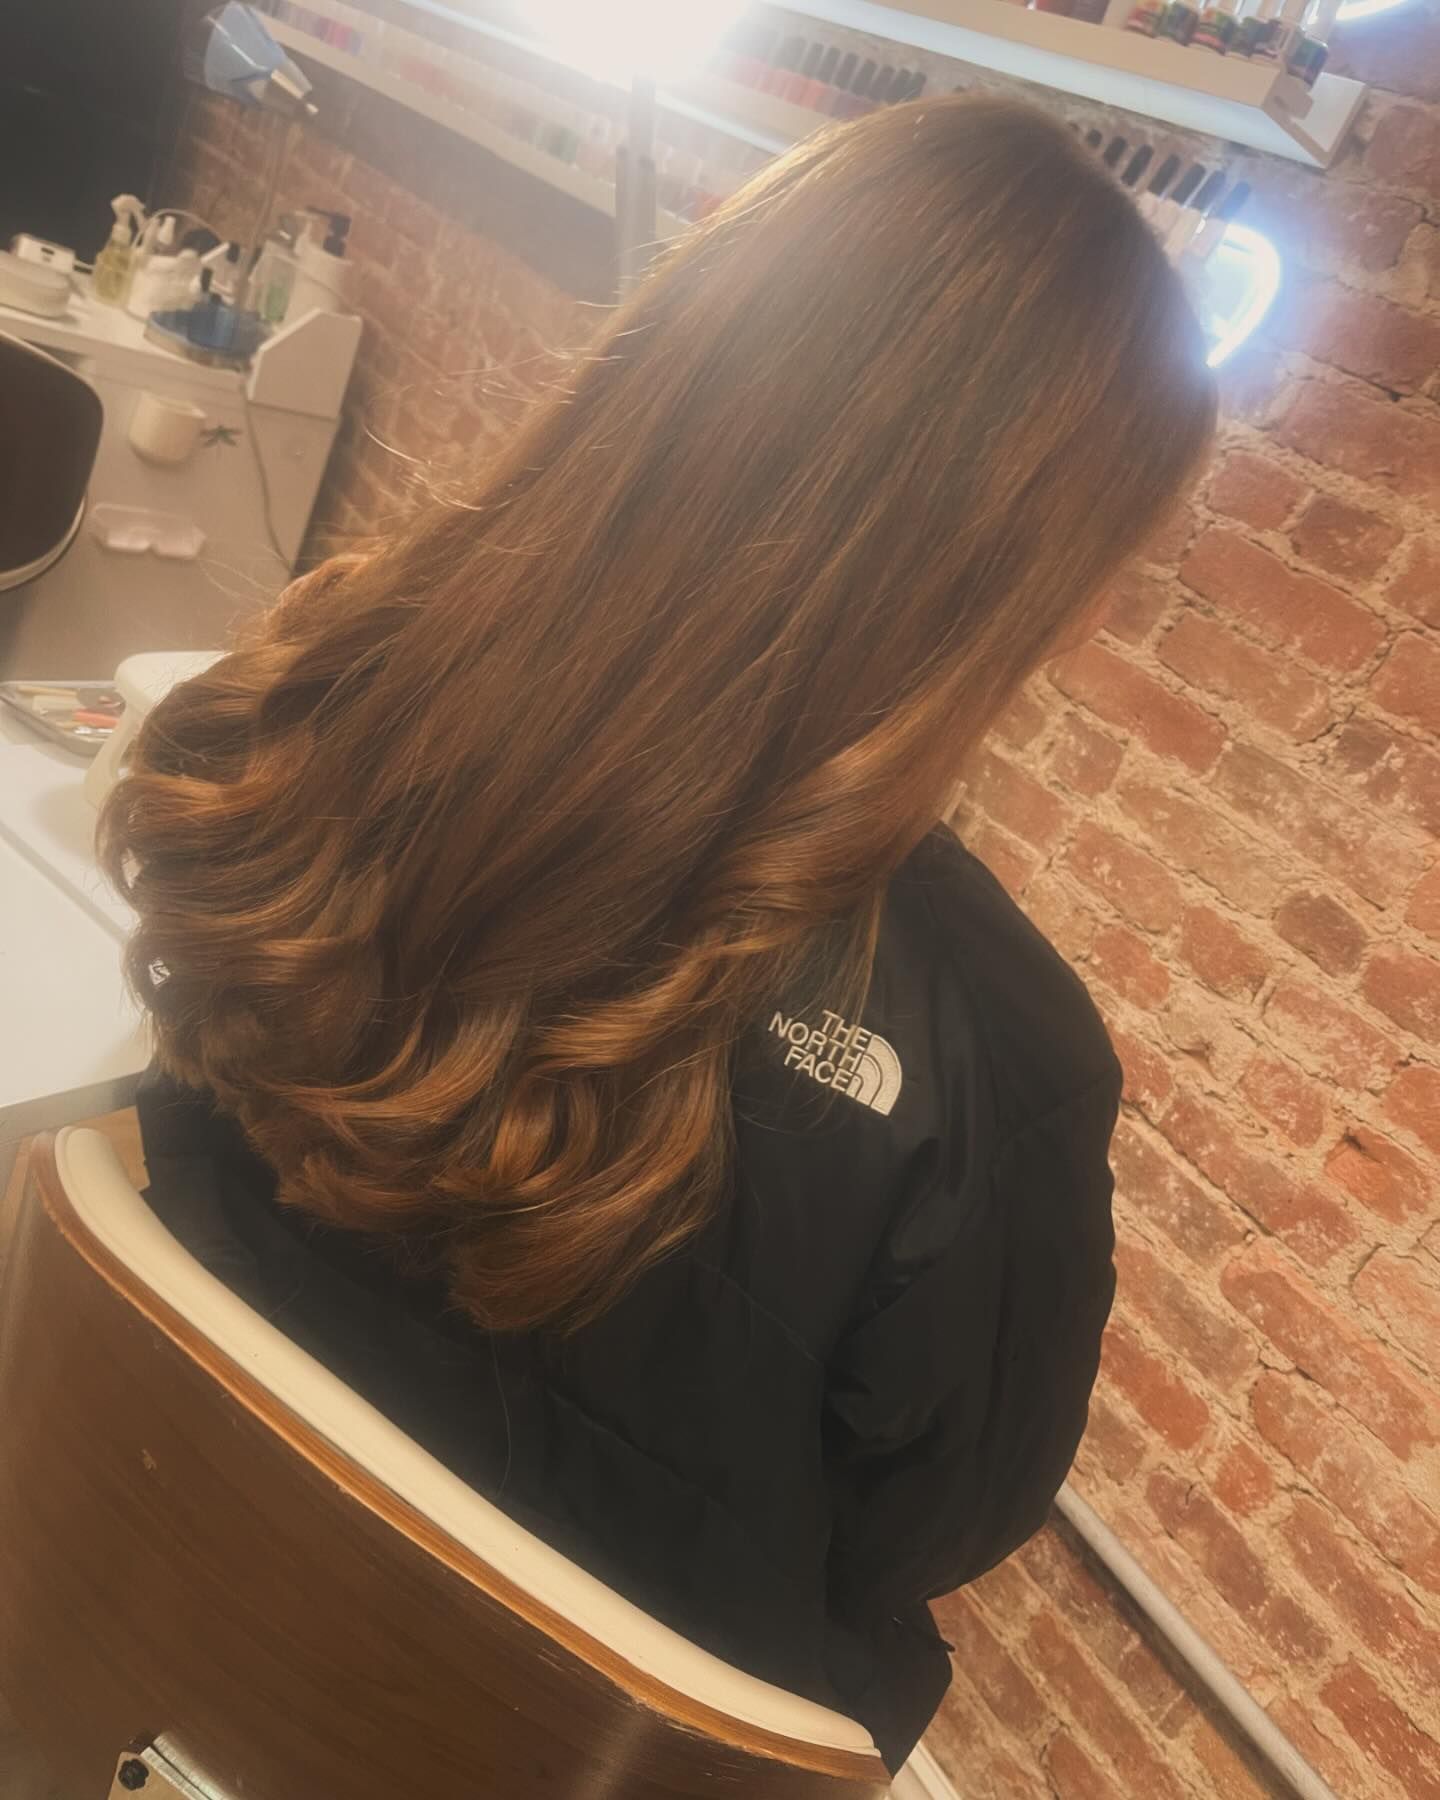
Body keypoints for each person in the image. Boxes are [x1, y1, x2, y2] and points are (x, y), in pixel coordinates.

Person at [103, 94, 1215, 1771]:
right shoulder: (1004, 1066)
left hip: (143, 1588)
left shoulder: (323, 681)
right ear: (1025, 574)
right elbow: (926, 1531)